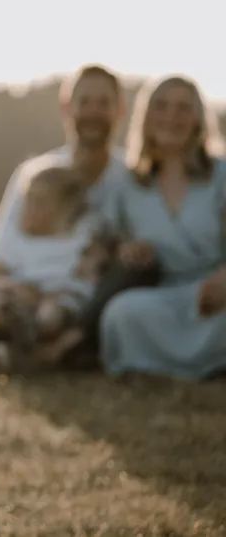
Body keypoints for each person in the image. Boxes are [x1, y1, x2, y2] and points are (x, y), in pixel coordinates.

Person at [0, 64, 151, 368]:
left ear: (120, 111)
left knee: (135, 269)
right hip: (26, 304)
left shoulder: (133, 178)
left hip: (85, 304)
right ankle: (54, 352)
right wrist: (24, 293)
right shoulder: (33, 177)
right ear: (67, 108)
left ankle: (52, 347)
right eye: (85, 102)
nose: (93, 112)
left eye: (103, 103)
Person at [97, 74, 226, 380]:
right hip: (165, 297)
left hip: (217, 290)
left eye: (183, 108)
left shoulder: (220, 173)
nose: (172, 117)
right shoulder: (127, 181)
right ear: (146, 116)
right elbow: (106, 239)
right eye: (162, 107)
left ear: (197, 119)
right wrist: (125, 249)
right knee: (121, 313)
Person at [0, 165, 102, 372]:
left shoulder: (82, 237)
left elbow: (89, 279)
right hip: (16, 301)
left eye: (42, 201)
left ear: (65, 206)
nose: (32, 207)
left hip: (57, 301)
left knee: (49, 314)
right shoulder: (16, 238)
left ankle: (28, 343)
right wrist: (19, 291)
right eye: (29, 199)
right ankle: (26, 338)